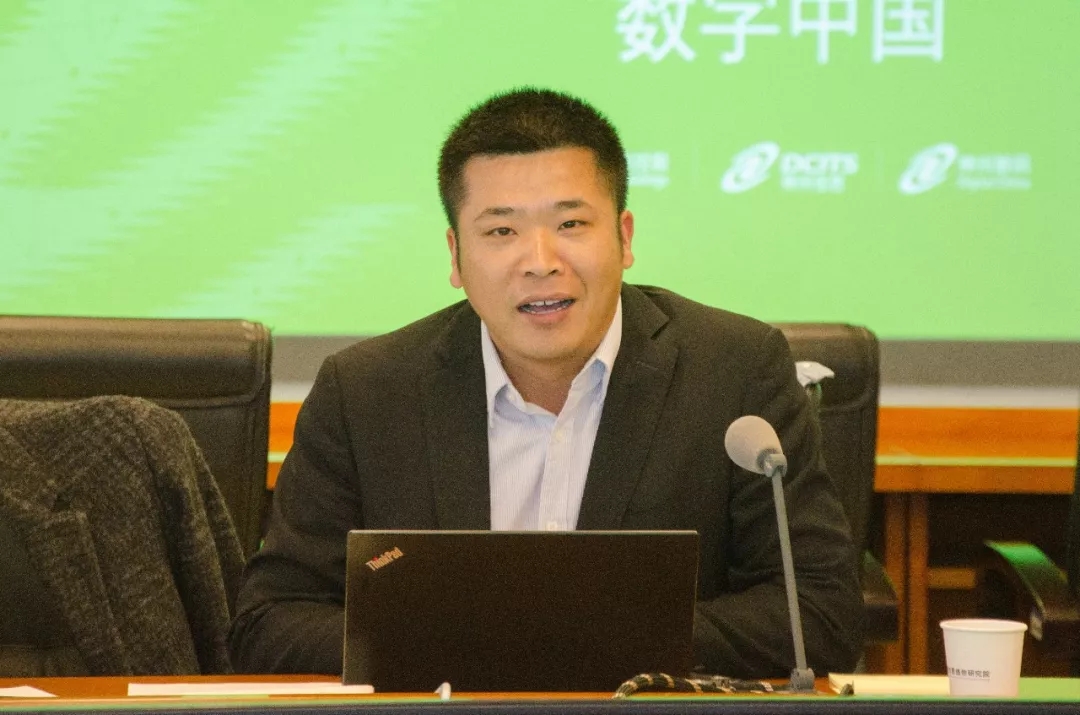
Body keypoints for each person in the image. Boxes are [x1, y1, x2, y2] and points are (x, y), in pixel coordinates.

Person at [229, 88, 864, 678]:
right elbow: (270, 621)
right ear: (455, 255)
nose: (540, 262)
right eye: (501, 231)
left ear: (624, 237)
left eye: (571, 225)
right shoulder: (367, 392)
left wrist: (584, 640)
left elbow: (820, 612)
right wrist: (475, 643)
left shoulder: (735, 371)